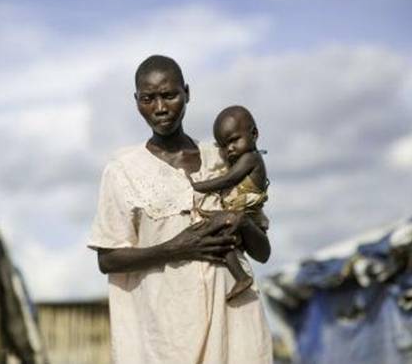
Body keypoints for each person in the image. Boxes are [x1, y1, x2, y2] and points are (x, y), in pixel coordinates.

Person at [88, 55, 273, 364]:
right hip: (168, 337)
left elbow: (263, 252)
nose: (160, 108)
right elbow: (107, 259)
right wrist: (177, 247)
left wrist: (240, 221)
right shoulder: (123, 172)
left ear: (187, 93)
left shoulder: (224, 158)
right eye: (148, 99)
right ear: (137, 102)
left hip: (236, 326)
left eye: (169, 95)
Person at [191, 105, 269, 301]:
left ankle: (241, 278)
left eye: (234, 140)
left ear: (254, 134)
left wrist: (196, 186)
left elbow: (227, 180)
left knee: (221, 238)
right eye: (223, 146)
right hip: (242, 211)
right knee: (220, 233)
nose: (229, 149)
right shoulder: (243, 158)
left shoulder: (250, 158)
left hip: (248, 213)